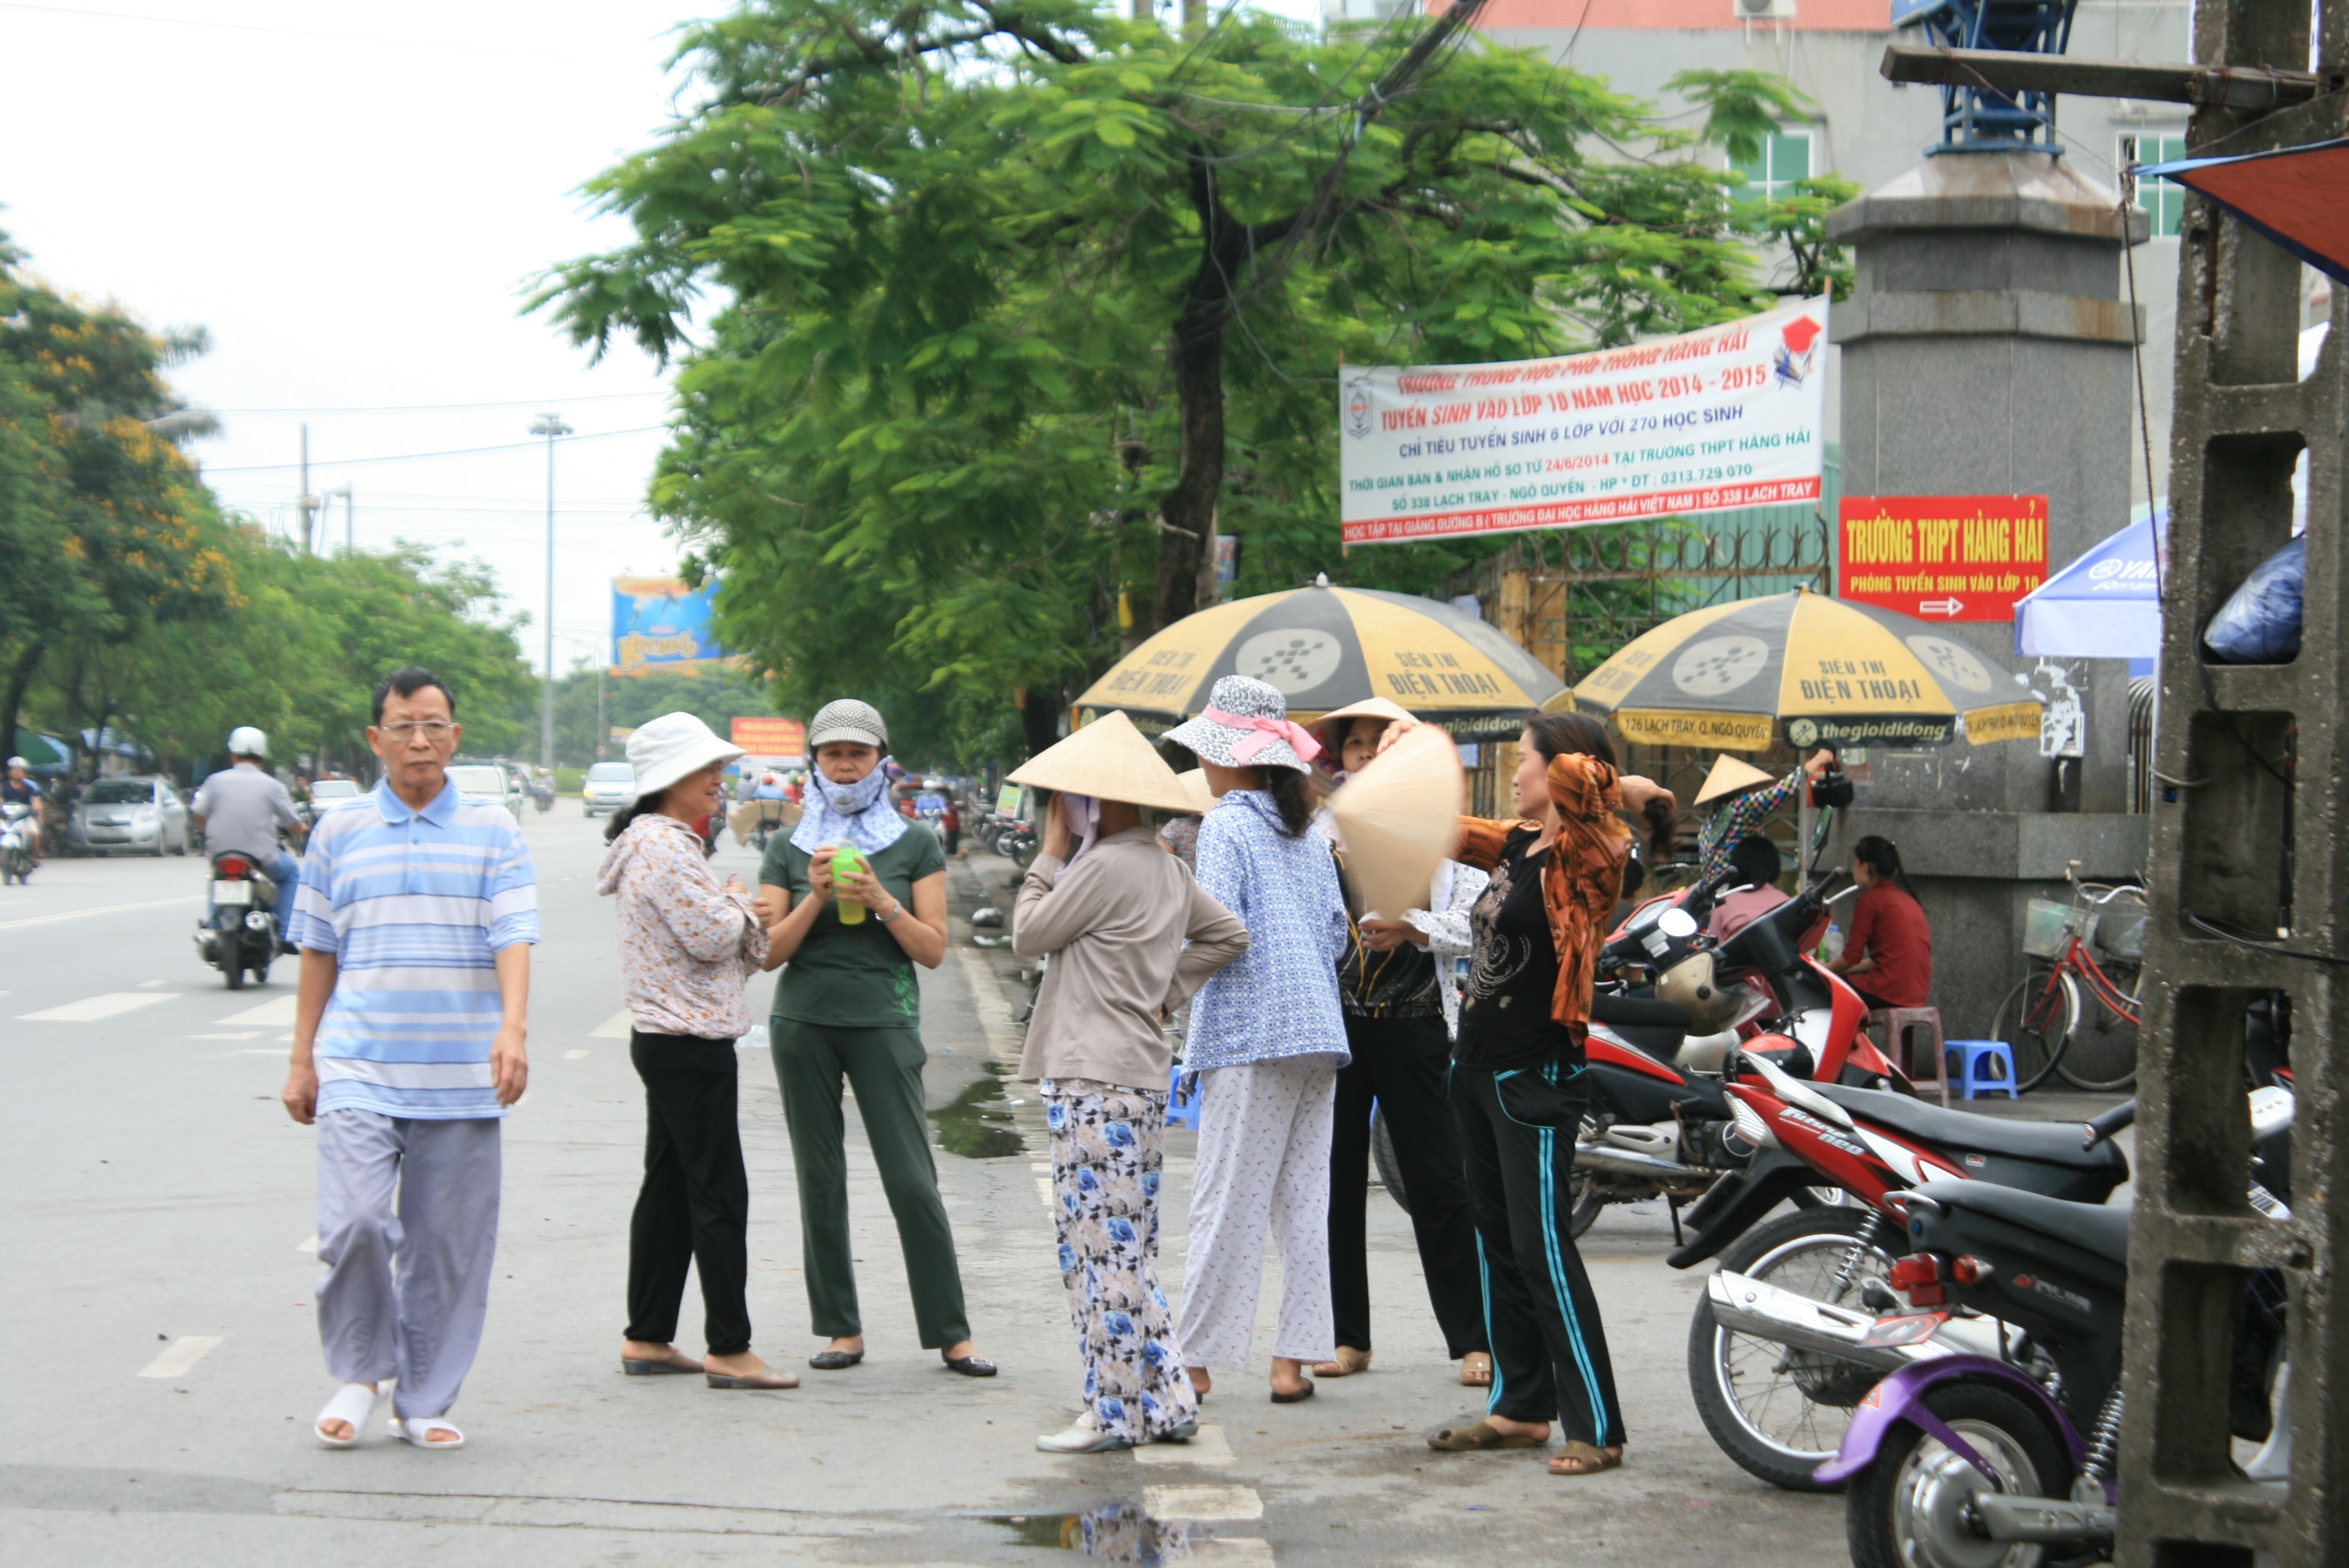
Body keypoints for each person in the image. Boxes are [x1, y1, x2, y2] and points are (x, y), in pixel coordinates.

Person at [282, 666, 536, 1451]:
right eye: (403, 726)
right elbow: (317, 948)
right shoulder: (339, 830)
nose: (418, 740)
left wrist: (513, 1030)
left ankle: (424, 1398)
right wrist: (301, 1059)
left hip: (461, 1073)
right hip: (359, 1063)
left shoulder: (494, 828)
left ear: (454, 737)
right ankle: (360, 1372)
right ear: (376, 739)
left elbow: (512, 932)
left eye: (432, 725)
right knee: (355, 1222)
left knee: (447, 1248)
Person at [1426, 711, 1672, 1477]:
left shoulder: (1592, 854)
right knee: (1498, 1244)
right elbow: (1439, 830)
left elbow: (1591, 793)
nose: (1515, 771)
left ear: (1565, 769)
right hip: (1477, 1064)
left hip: (1535, 1073)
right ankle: (1520, 1408)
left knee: (1544, 1251)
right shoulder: (1517, 845)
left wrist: (1622, 785)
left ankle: (1596, 1425)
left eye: (1525, 757)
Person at [1006, 715, 1250, 1452]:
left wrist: (1050, 853)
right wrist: (1162, 995)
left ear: (1090, 803)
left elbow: (1028, 934)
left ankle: (1113, 1412)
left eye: (1065, 799)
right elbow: (1227, 935)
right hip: (1137, 1073)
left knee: (1099, 1249)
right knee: (1127, 1246)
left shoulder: (1102, 867)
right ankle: (1165, 1398)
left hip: (1091, 1076)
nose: (1060, 810)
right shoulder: (1168, 868)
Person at [754, 699, 994, 1376]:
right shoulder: (787, 845)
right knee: (820, 1178)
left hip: (885, 1020)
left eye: (857, 753)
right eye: (832, 753)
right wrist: (815, 894)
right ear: (814, 762)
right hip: (803, 1022)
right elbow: (768, 954)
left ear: (880, 761)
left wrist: (882, 901)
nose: (845, 765)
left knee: (912, 1180)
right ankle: (840, 1329)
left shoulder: (915, 842)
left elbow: (933, 950)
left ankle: (951, 1332)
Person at [1161, 676, 1348, 1405]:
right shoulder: (1308, 831)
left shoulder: (1227, 827)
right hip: (1318, 1031)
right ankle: (1292, 1363)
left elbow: (1216, 931)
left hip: (1248, 1032)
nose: (1200, 763)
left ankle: (1197, 1361)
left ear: (1231, 755)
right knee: (1303, 1200)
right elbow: (1337, 935)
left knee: (1225, 1199)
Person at [599, 713, 795, 1391]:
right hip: (689, 1043)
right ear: (672, 778)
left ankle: (648, 1337)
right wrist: (739, 905)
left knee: (670, 1192)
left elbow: (718, 944)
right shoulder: (664, 846)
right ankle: (729, 1348)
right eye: (708, 770)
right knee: (718, 1194)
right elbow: (713, 938)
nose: (719, 780)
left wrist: (733, 910)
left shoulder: (660, 842)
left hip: (672, 1037)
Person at [1309, 699, 1492, 1390]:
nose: (1366, 755)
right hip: (1338, 1033)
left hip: (1417, 1029)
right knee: (1333, 1185)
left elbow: (1480, 925)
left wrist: (1414, 926)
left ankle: (1472, 1340)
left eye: (1380, 745)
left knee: (1440, 1185)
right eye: (1356, 744)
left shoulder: (1449, 838)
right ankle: (1346, 1337)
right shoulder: (1319, 837)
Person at [193, 726, 307, 952]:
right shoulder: (272, 785)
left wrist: (205, 832)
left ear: (233, 754)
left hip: (220, 854)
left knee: (217, 879)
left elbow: (198, 813)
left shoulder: (214, 781)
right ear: (262, 756)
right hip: (262, 856)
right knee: (292, 873)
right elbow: (292, 823)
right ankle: (284, 933)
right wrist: (302, 828)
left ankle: (213, 926)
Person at [1693, 749, 1836, 884]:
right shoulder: (1742, 807)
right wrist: (1817, 761)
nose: (1754, 790)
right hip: (1737, 889)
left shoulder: (1709, 822)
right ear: (1742, 788)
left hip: (1714, 890)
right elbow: (1782, 791)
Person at [1828, 835, 1934, 1011]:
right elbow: (1887, 959)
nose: (1853, 870)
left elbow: (1851, 957)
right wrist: (1836, 969)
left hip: (1888, 990)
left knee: (1820, 988)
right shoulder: (1907, 899)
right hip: (1916, 992)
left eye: (1854, 864)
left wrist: (1825, 970)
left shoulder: (1870, 900)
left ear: (1865, 867)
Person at [1708, 834, 1790, 941]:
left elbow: (1713, 946)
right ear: (1774, 866)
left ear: (1736, 865)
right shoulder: (1786, 902)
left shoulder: (1723, 904)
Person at [3, 756, 44, 861]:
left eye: (19, 770)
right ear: (9, 772)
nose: (17, 772)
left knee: (35, 832)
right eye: (14, 770)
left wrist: (37, 810)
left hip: (25, 816)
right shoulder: (3, 787)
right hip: (7, 817)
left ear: (24, 772)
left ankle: (34, 856)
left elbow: (35, 801)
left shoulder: (30, 787)